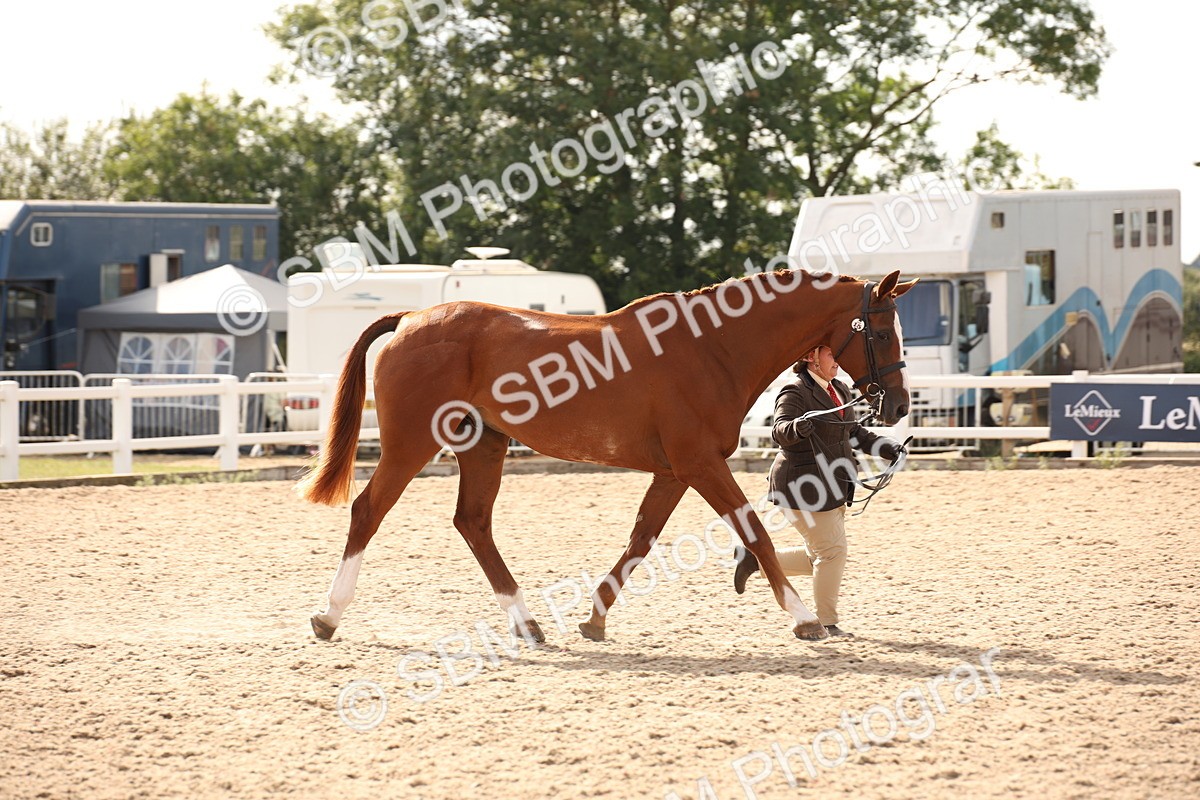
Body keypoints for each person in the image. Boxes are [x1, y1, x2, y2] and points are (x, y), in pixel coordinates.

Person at [733, 345, 903, 639]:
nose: (838, 361)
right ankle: (827, 622)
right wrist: (798, 426)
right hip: (802, 487)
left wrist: (886, 448)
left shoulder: (840, 389)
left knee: (821, 556)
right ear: (811, 357)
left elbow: (854, 433)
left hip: (834, 485)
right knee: (832, 552)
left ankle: (755, 561)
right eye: (831, 356)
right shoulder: (794, 392)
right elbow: (780, 430)